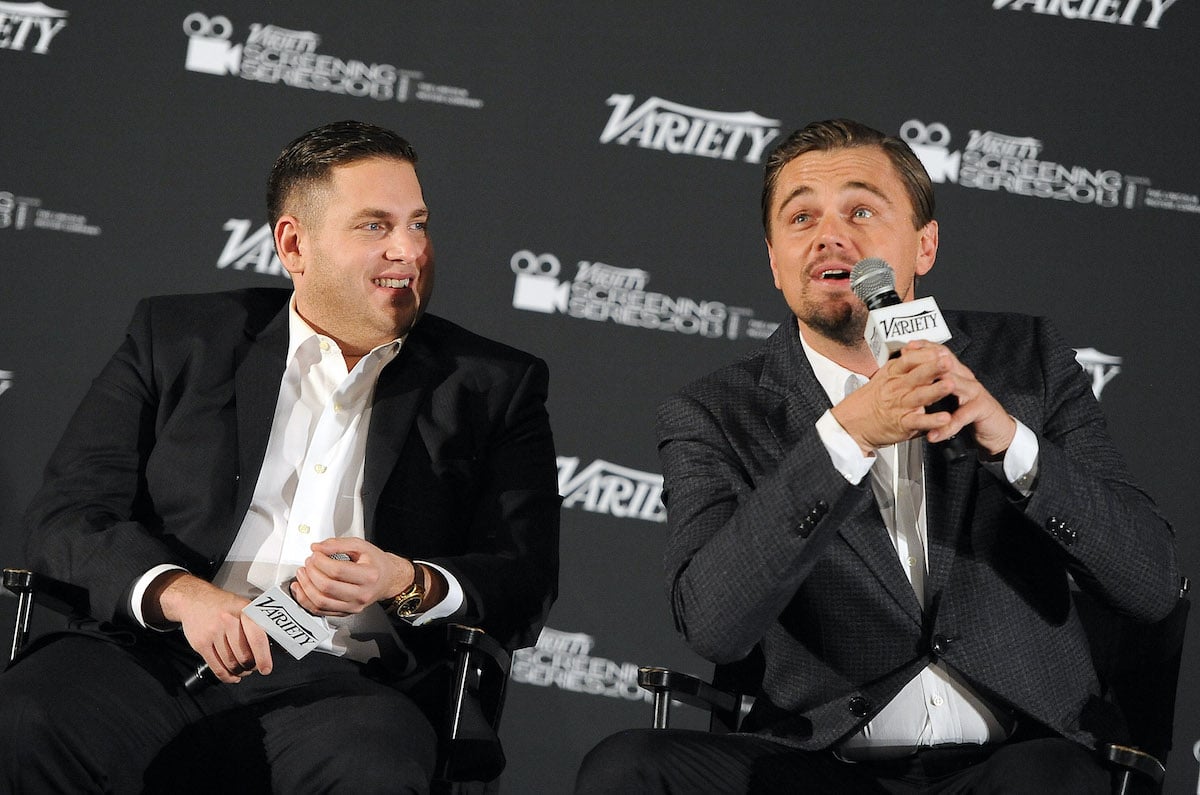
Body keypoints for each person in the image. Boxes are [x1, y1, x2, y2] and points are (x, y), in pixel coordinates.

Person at [575, 119, 1179, 793]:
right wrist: (844, 439)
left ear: (925, 243)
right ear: (774, 261)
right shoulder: (715, 413)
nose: (832, 236)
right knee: (626, 765)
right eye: (801, 217)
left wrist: (1012, 447)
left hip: (1014, 757)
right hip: (825, 765)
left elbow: (1151, 584)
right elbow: (715, 626)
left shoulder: (1026, 361)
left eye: (861, 209)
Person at [0, 120, 560, 793]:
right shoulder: (178, 338)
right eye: (375, 226)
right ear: (294, 244)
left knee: (373, 769)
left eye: (418, 224)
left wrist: (402, 579)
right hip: (150, 657)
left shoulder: (492, 385)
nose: (410, 250)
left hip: (345, 688)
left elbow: (523, 578)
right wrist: (186, 597)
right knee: (24, 719)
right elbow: (67, 516)